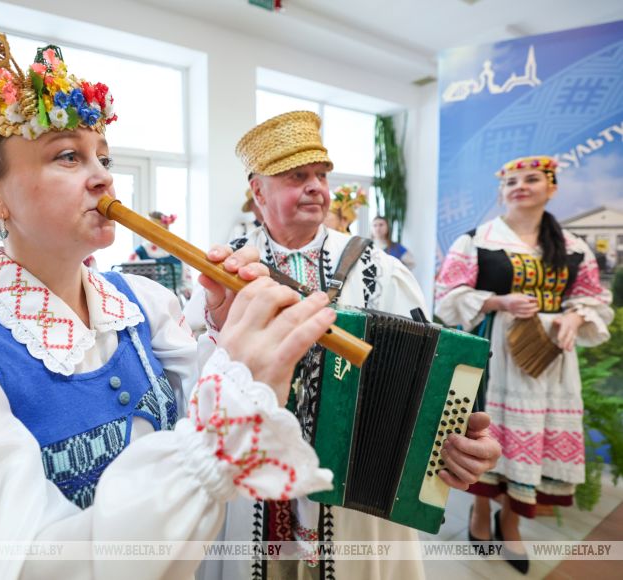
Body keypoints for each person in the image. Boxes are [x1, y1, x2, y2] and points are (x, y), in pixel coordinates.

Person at [0, 26, 337, 579]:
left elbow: (194, 419)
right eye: (68, 156)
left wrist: (225, 334)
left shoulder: (144, 304)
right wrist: (226, 418)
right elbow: (35, 565)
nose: (103, 179)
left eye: (103, 158)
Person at [206, 110, 501, 580]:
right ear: (258, 191)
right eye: (296, 176)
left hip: (357, 491)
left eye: (321, 175)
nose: (315, 187)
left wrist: (458, 440)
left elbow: (432, 375)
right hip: (255, 475)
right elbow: (196, 379)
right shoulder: (224, 269)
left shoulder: (379, 269)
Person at [435, 155, 612, 573]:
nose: (521, 187)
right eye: (512, 181)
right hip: (495, 351)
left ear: (551, 188)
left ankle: (510, 522)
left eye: (532, 179)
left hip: (549, 360)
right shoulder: (477, 240)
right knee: (487, 429)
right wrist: (498, 301)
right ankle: (481, 512)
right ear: (502, 192)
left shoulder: (572, 246)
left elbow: (594, 298)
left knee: (531, 437)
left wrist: (574, 317)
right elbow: (447, 295)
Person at [128, 211, 192, 297]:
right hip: (148, 300)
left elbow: (187, 285)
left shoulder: (178, 253)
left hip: (173, 301)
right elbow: (132, 283)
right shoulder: (140, 252)